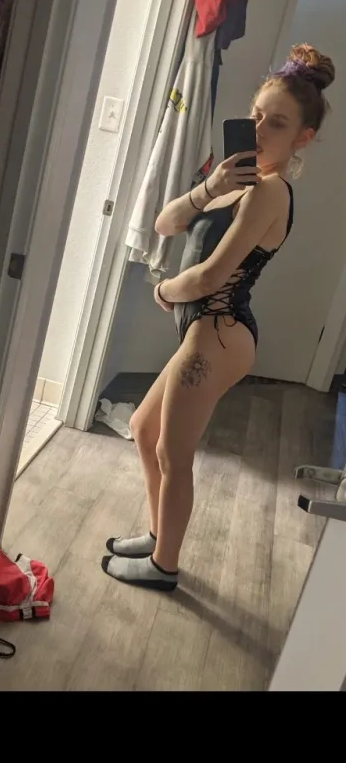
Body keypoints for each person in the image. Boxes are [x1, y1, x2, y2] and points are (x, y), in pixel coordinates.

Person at [102, 43, 335, 592]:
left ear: (302, 138)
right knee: (142, 430)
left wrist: (165, 290)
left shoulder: (271, 191)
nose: (259, 129)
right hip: (204, 333)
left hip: (219, 335)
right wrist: (211, 186)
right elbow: (165, 224)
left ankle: (164, 566)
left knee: (172, 450)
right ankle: (158, 537)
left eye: (276, 123)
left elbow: (210, 276)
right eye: (256, 114)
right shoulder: (236, 181)